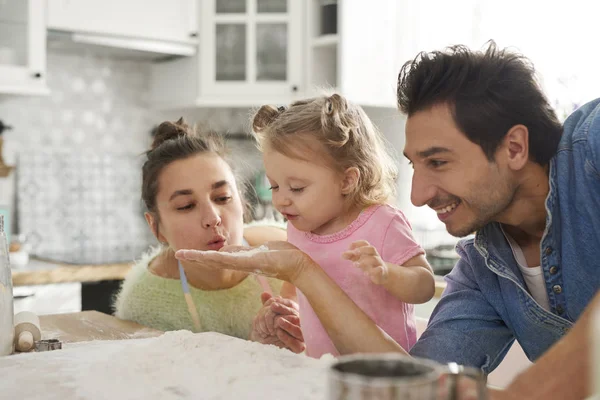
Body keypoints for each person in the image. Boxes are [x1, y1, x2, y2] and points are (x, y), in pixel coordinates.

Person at [175, 42, 600, 399]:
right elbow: (415, 385)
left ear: (514, 147)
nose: (417, 195)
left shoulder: (592, 144)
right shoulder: (481, 271)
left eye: (438, 161)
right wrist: (301, 273)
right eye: (416, 165)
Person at [247, 94, 434, 358]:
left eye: (297, 188)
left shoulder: (383, 222)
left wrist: (387, 273)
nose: (280, 199)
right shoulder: (298, 227)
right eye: (274, 186)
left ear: (347, 181)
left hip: (383, 380)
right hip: (323, 374)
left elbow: (425, 285)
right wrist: (288, 308)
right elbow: (297, 285)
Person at [113, 118, 304, 353]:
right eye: (186, 206)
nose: (212, 218)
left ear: (242, 203)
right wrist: (254, 349)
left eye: (222, 198)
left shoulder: (291, 254)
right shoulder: (145, 303)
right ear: (156, 227)